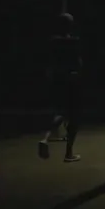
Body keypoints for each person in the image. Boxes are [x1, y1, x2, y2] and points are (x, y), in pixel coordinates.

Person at [38, 12, 83, 163]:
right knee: (74, 117)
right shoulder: (72, 42)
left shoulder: (53, 41)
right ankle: (69, 153)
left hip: (57, 81)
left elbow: (48, 61)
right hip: (70, 80)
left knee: (61, 112)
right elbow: (78, 62)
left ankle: (45, 138)